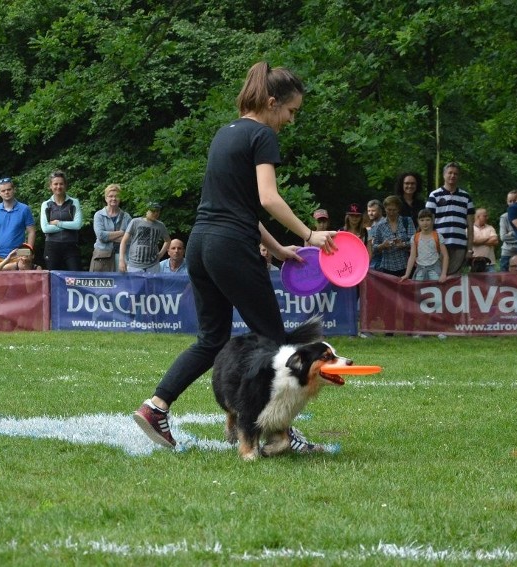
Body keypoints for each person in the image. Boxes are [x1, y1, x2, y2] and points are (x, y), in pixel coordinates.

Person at [131, 61, 335, 450]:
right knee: (275, 342)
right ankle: (278, 434)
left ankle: (155, 407)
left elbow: (238, 206)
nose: (291, 120)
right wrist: (309, 234)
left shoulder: (224, 134)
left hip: (201, 244)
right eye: (291, 112)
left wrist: (278, 249)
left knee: (212, 338)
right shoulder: (262, 135)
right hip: (230, 247)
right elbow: (267, 198)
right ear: (272, 103)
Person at [425, 162, 475, 275]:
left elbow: (470, 226)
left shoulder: (466, 197)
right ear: (444, 175)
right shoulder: (434, 196)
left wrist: (470, 249)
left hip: (460, 245)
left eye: (455, 174)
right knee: (437, 276)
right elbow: (428, 224)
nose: (452, 176)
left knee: (455, 279)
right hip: (439, 244)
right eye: (450, 173)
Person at [0, 177, 36, 269]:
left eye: (9, 189)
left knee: (18, 283)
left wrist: (27, 253)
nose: (6, 192)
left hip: (19, 256)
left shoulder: (24, 209)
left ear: (14, 190)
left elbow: (31, 232)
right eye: (3, 191)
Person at [40, 170, 83, 271]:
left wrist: (58, 223)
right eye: (55, 184)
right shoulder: (46, 204)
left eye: (61, 184)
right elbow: (45, 229)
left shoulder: (74, 202)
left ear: (65, 185)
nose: (58, 187)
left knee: (74, 278)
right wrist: (68, 226)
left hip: (71, 246)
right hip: (52, 247)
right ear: (50, 186)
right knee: (53, 278)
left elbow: (77, 225)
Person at [119, 202, 171, 273]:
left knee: (153, 284)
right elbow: (124, 241)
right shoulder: (135, 222)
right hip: (134, 265)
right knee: (135, 284)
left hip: (153, 265)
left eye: (158, 211)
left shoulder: (160, 225)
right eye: (153, 211)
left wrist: (160, 255)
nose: (156, 213)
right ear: (146, 211)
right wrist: (121, 260)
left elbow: (167, 240)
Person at [371, 195, 414, 277]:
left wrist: (403, 244)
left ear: (399, 209)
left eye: (394, 210)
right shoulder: (379, 225)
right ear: (384, 209)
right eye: (389, 210)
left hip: (406, 266)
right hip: (386, 267)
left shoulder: (407, 221)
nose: (391, 213)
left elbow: (415, 241)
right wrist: (382, 246)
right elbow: (373, 247)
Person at [90, 183, 130, 272]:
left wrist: (109, 237)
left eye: (116, 196)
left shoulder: (126, 217)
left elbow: (130, 239)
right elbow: (101, 236)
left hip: (122, 257)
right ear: (106, 198)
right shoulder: (99, 215)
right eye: (110, 196)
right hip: (101, 257)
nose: (114, 199)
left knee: (122, 284)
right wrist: (122, 232)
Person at [400, 209, 448, 283]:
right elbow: (412, 257)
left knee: (435, 291)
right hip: (420, 272)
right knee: (419, 293)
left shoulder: (438, 236)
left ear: (432, 221)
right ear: (418, 221)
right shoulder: (415, 238)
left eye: (427, 220)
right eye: (422, 220)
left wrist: (444, 274)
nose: (425, 223)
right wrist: (407, 274)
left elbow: (445, 255)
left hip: (435, 271)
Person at [498, 190, 517, 272]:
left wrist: (511, 234)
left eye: (515, 201)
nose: (512, 203)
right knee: (504, 278)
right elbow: (503, 237)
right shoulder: (504, 217)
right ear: (507, 202)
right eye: (510, 201)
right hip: (507, 252)